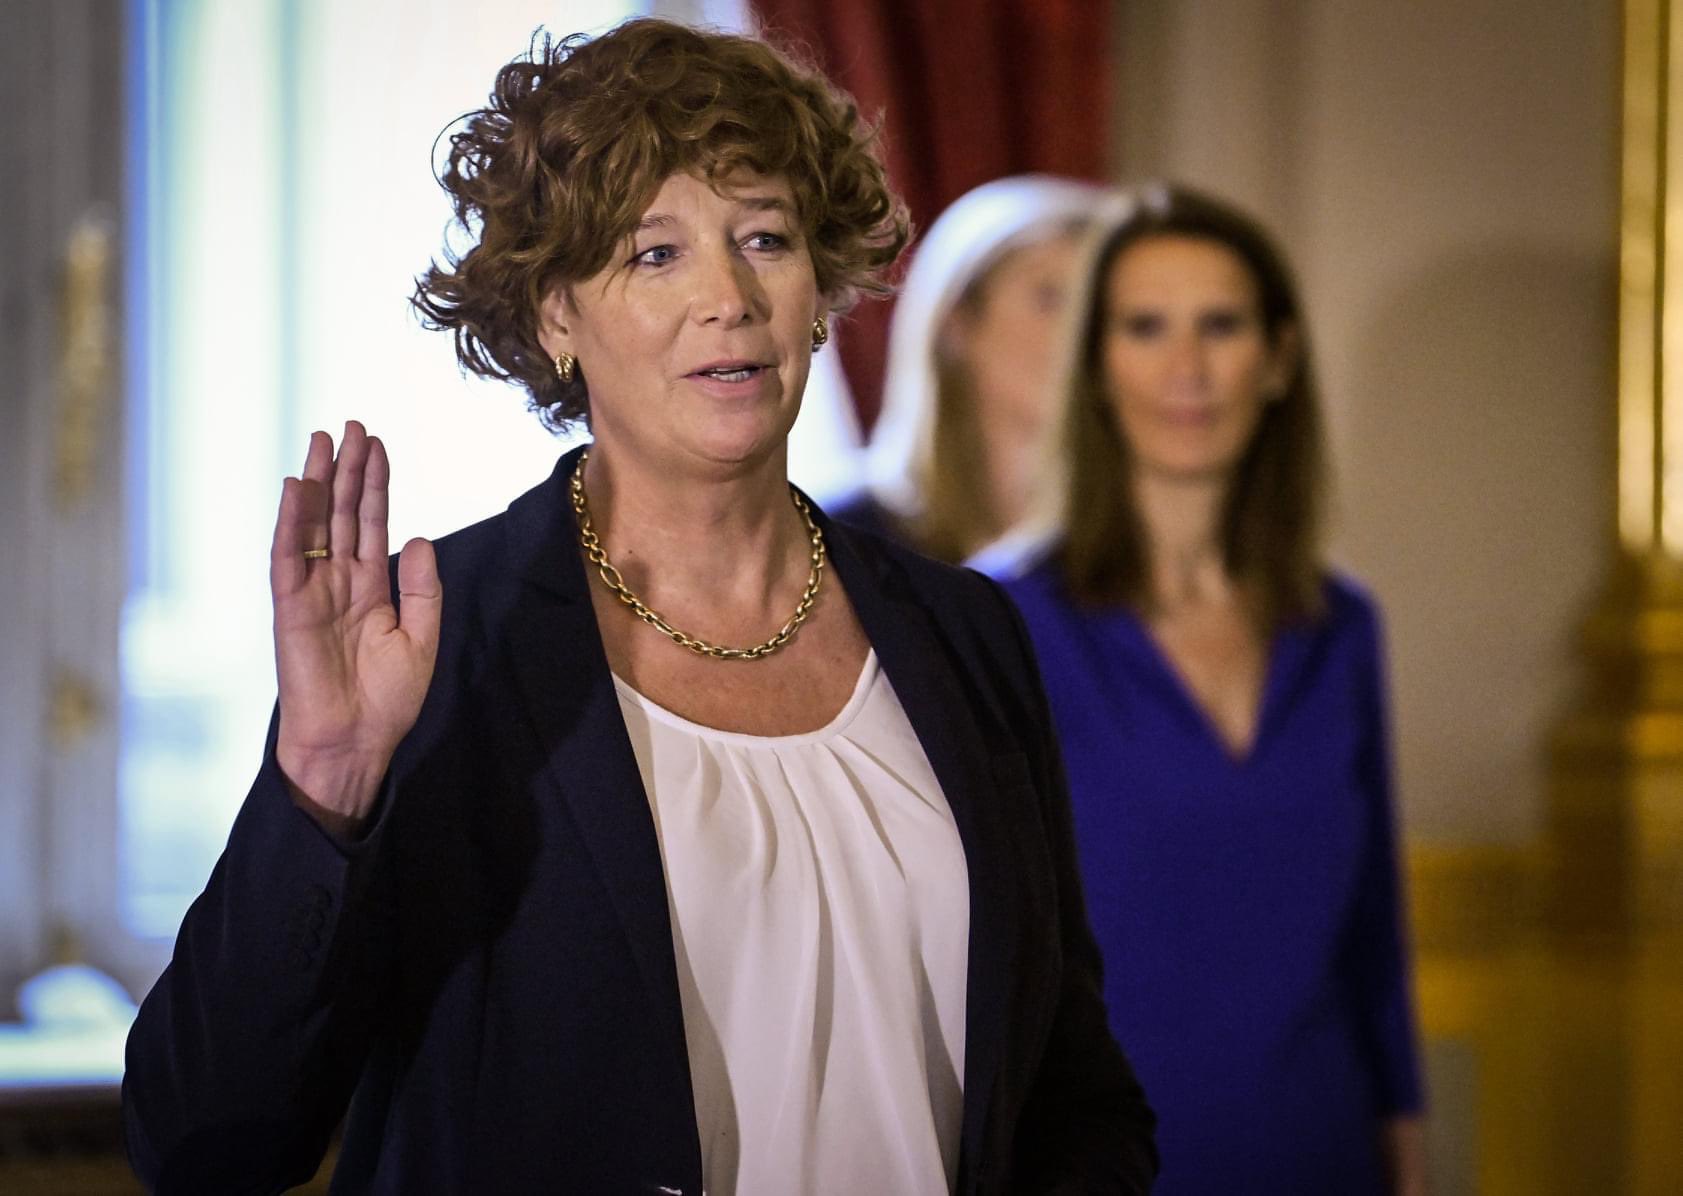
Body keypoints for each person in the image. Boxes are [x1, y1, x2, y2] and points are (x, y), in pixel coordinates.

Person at [120, 20, 1156, 1196]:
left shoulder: (964, 631)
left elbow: (1073, 1090)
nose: (730, 296)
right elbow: (203, 1141)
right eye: (655, 253)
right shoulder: (440, 639)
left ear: (819, 287)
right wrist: (323, 778)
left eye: (765, 237)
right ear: (555, 313)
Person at [990, 184, 1425, 1194]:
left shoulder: (1341, 625)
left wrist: (1409, 1159)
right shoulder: (1001, 621)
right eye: (1145, 327)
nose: (1186, 367)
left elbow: (1374, 942)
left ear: (1277, 360)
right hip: (1103, 1168)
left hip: (1326, 1155)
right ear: (1095, 365)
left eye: (1220, 326)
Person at [832, 174, 1111, 563]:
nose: (1084, 331)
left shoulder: (1130, 538)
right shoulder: (838, 535)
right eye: (1050, 299)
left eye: (1098, 305)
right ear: (956, 323)